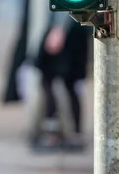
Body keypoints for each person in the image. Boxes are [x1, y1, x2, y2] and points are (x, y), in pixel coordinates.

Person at [30, 12, 91, 151]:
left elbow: (66, 3)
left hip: (66, 33)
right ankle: (73, 133)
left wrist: (59, 29)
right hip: (74, 32)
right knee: (68, 85)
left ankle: (56, 133)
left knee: (51, 81)